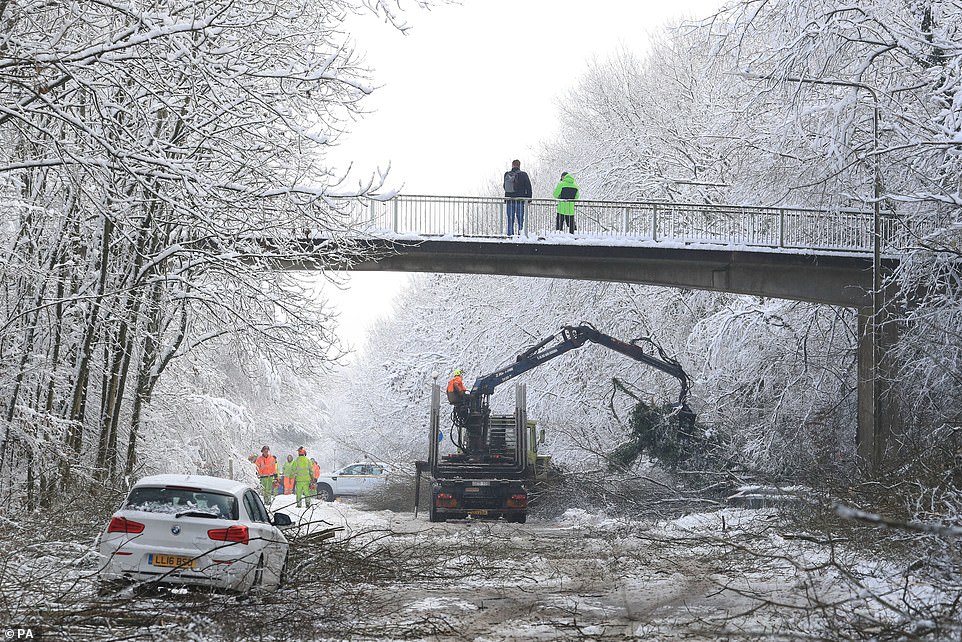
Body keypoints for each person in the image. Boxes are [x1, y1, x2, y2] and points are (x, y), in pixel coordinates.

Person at [503, 159, 532, 236]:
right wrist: (528, 199)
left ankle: (510, 235)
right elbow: (528, 187)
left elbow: (504, 187)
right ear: (519, 165)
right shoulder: (523, 174)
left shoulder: (507, 174)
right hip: (520, 200)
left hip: (509, 200)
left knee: (510, 219)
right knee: (520, 219)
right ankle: (521, 235)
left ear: (512, 165)